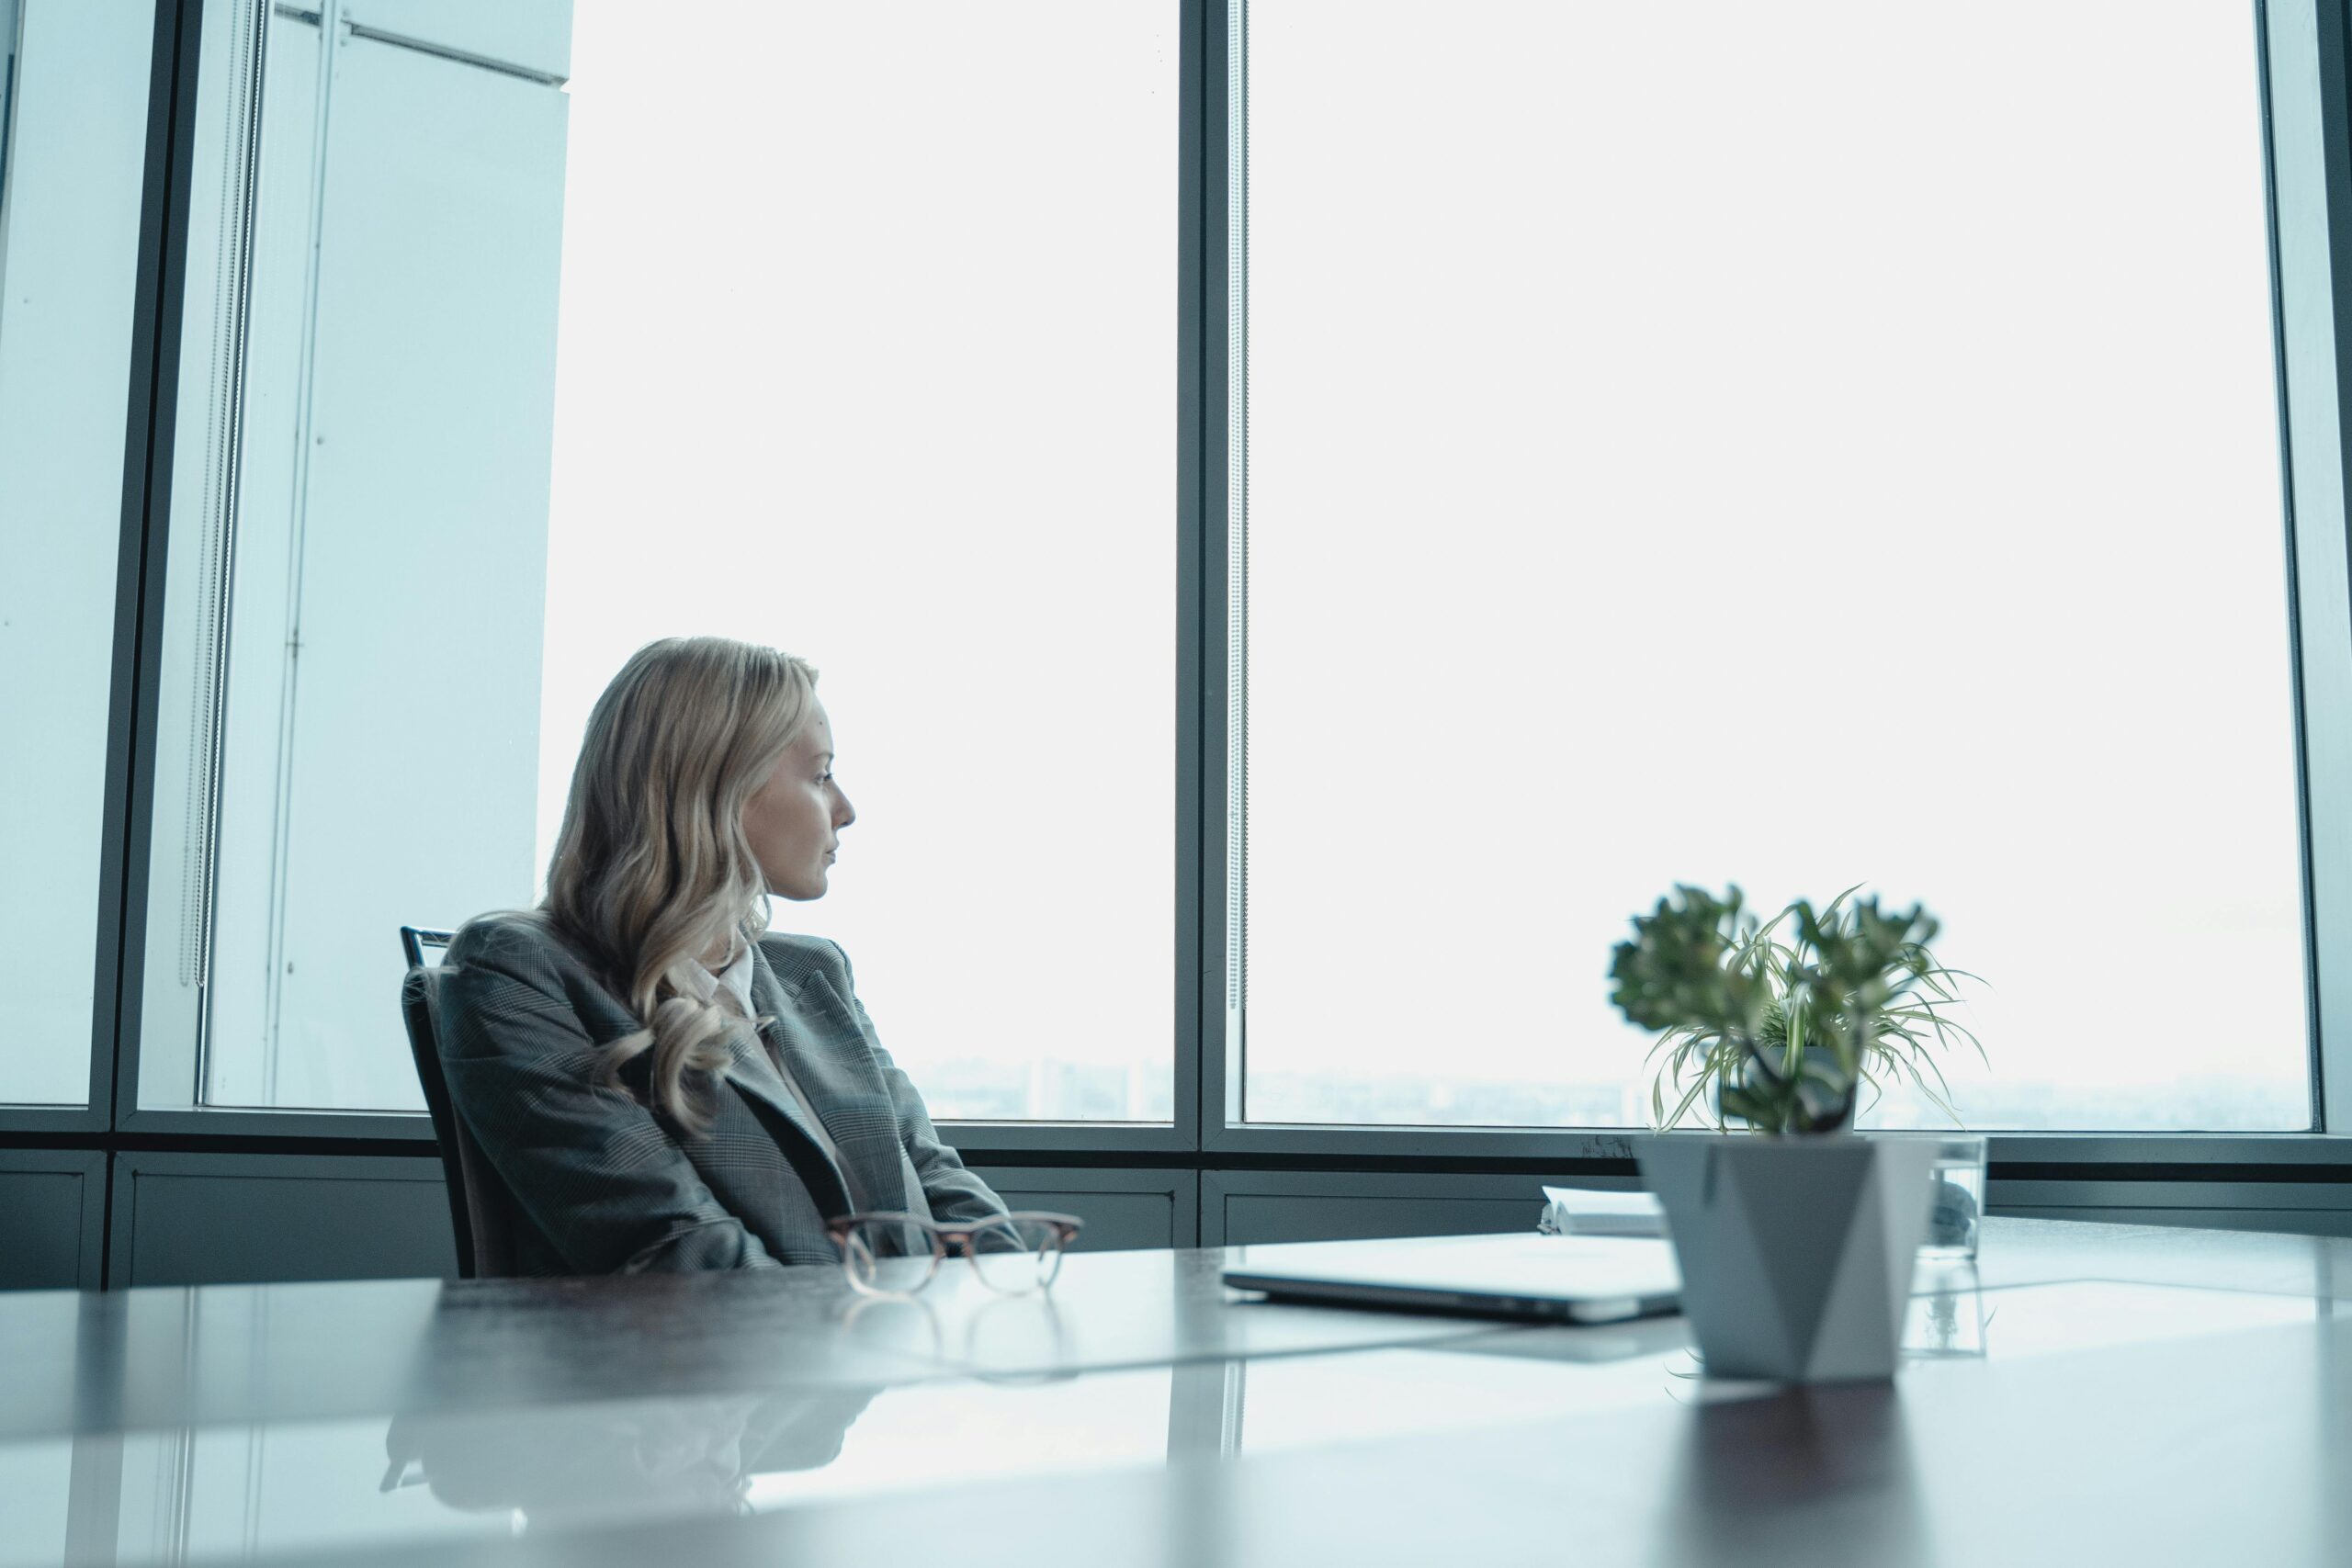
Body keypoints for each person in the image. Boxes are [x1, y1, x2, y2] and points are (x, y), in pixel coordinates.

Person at [436, 636, 1005, 1275]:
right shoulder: (517, 969)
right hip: (744, 1366)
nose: (846, 809)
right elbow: (681, 1250)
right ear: (720, 787)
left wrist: (1021, 1294)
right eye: (821, 775)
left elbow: (935, 1177)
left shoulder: (813, 971)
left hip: (906, 1352)